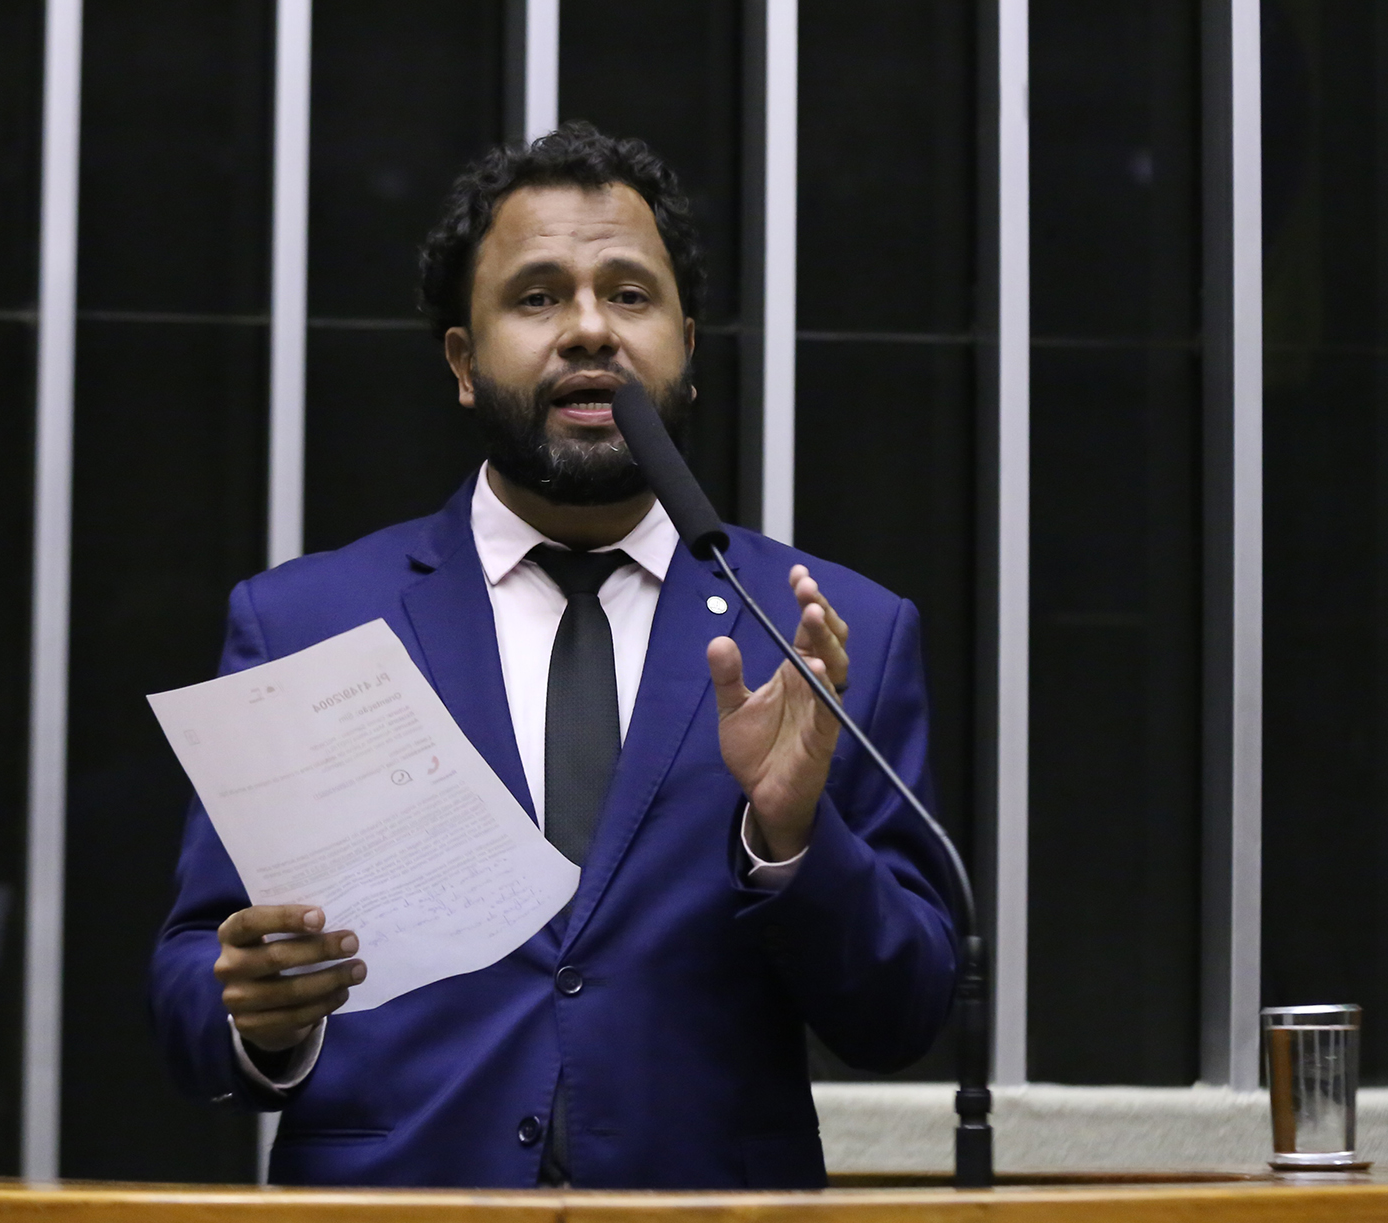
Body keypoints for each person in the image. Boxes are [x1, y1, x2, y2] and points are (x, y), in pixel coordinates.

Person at [149, 123, 957, 1190]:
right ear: (463, 363)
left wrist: (790, 837)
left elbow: (902, 1014)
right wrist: (257, 1013)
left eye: (629, 294)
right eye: (536, 297)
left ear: (686, 348)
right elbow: (193, 976)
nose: (588, 329)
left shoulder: (824, 632)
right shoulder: (306, 620)